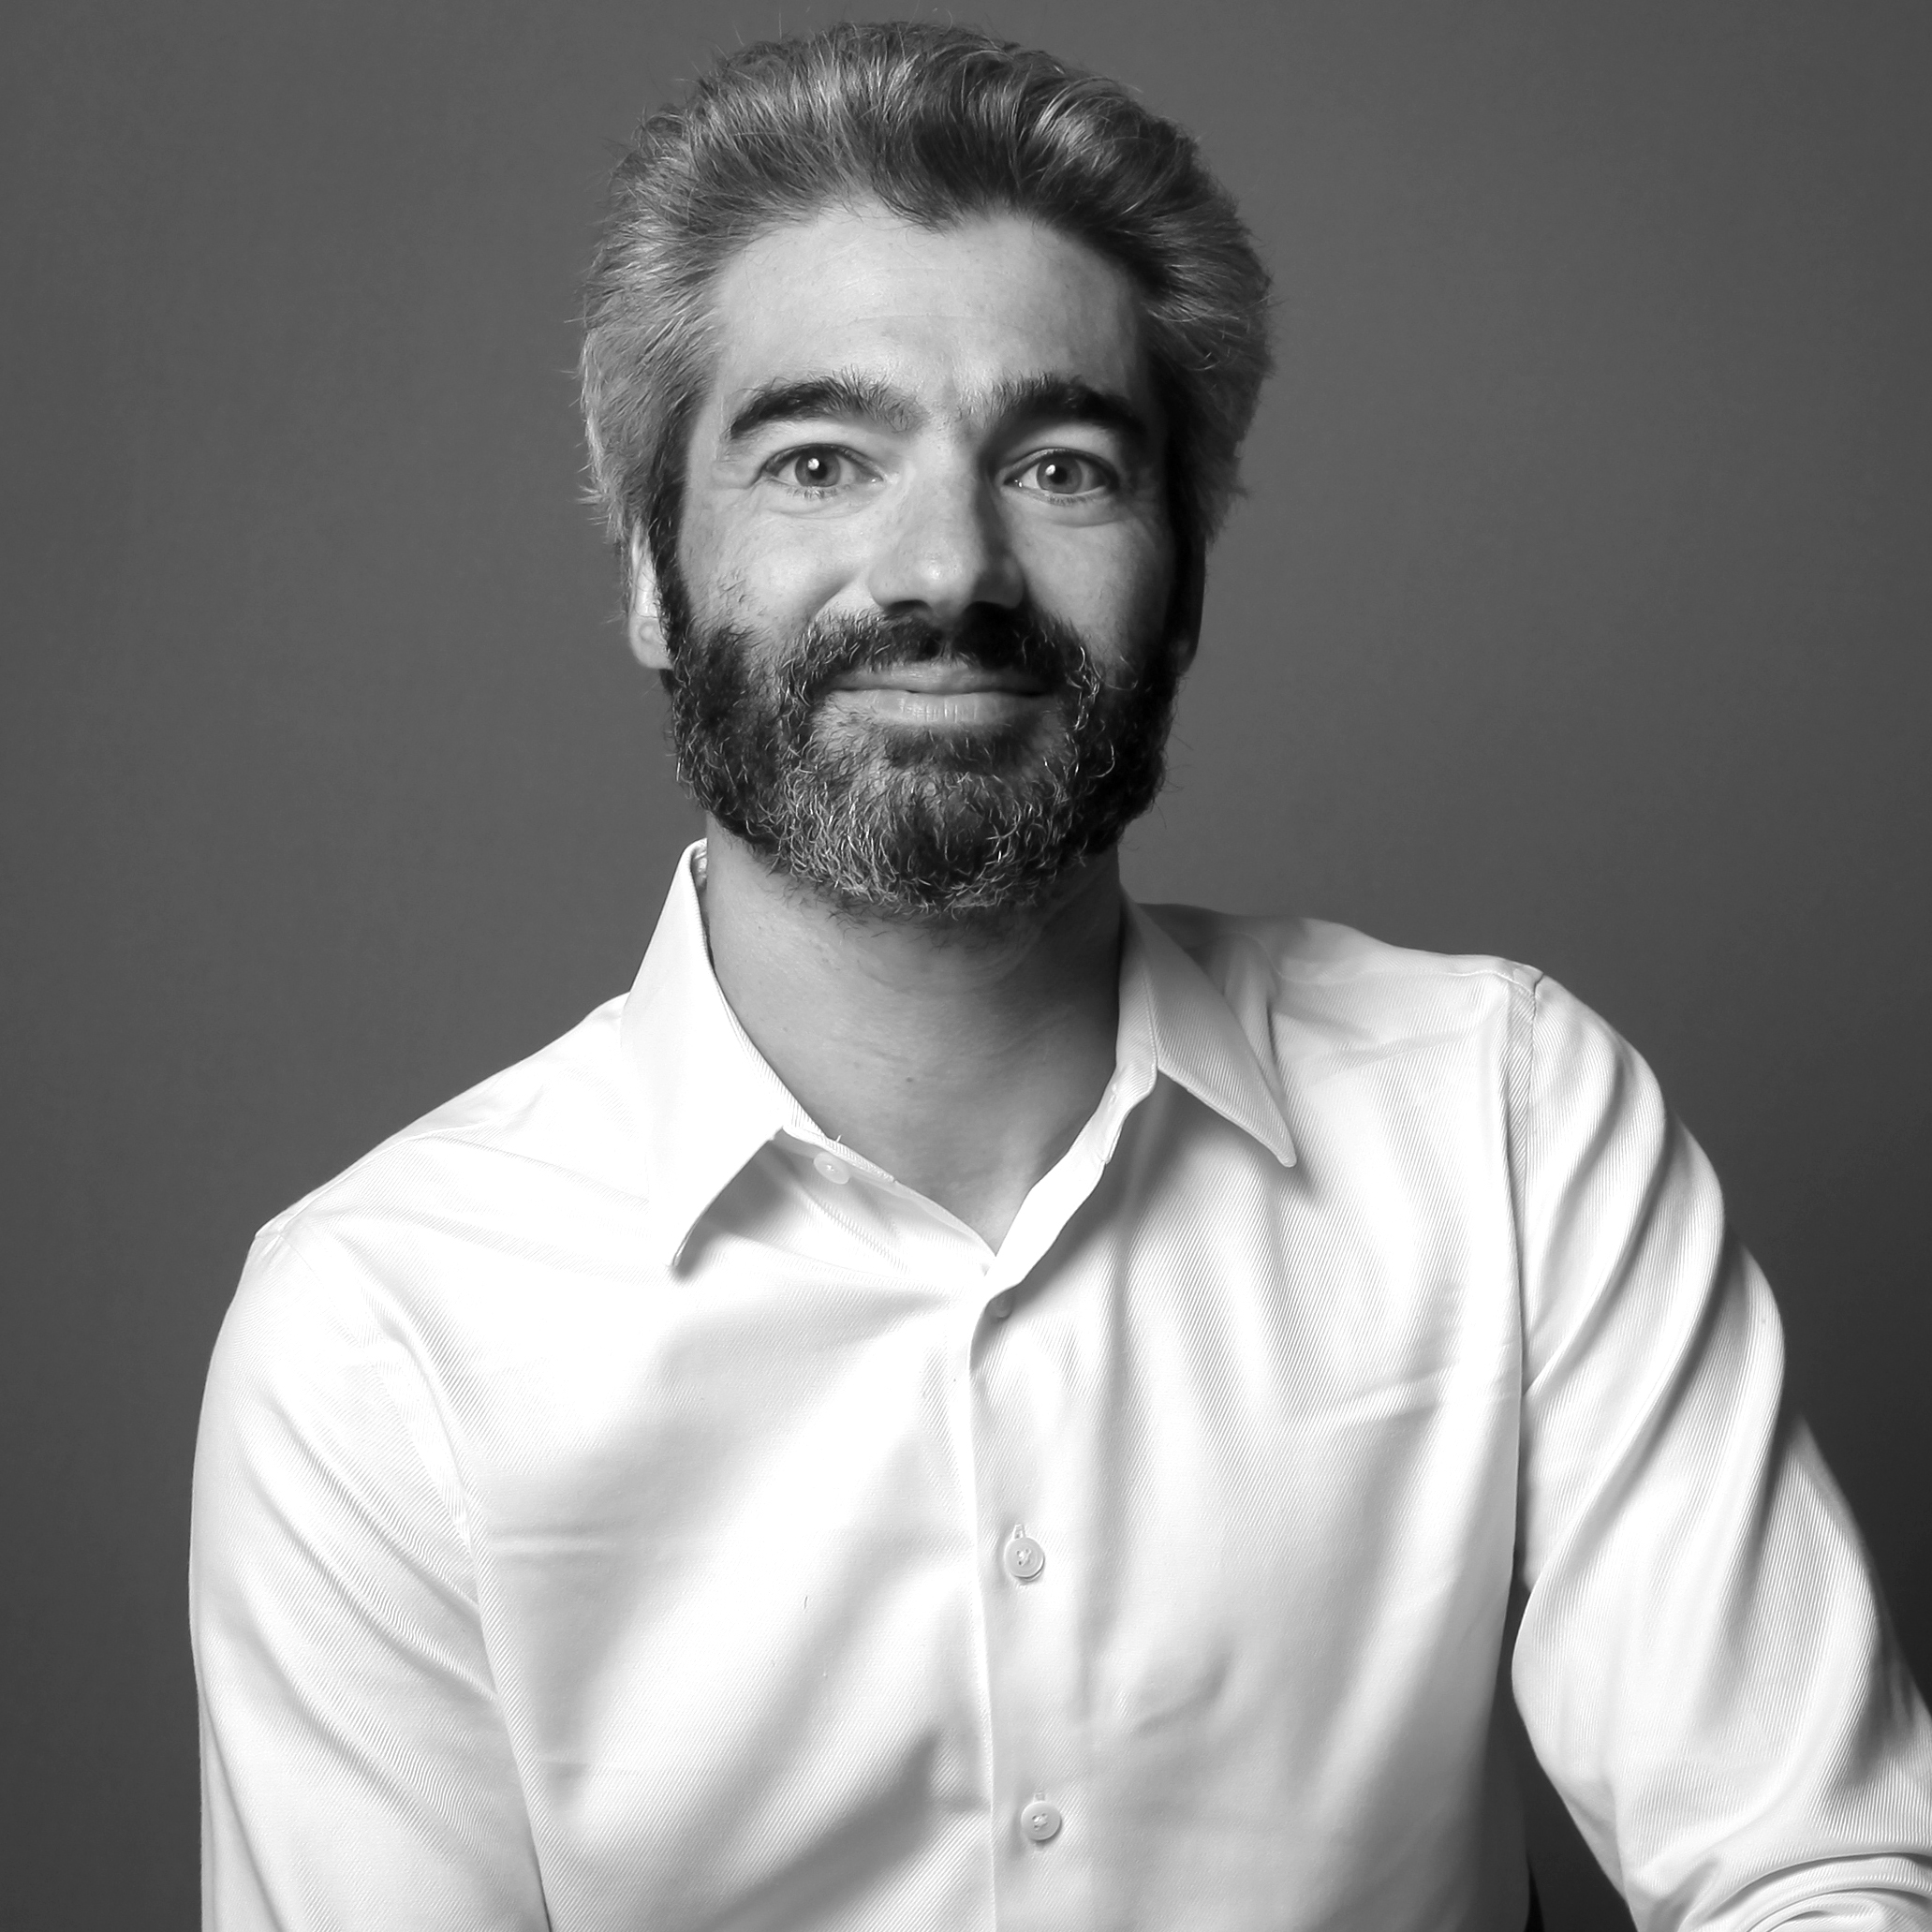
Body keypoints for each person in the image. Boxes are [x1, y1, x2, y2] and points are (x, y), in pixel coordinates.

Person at [189, 22, 1932, 1930]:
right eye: (820, 460)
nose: (947, 569)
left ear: (1184, 586)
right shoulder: (379, 1330)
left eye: (1061, 465)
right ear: (649, 575)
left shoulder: (1508, 1125)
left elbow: (1817, 1871)